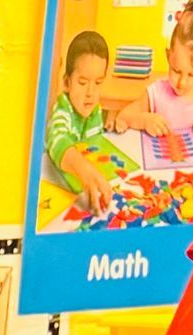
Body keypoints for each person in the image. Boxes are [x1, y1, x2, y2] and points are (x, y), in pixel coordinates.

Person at [115, 0, 193, 141]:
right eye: (176, 71)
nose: (182, 82)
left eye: (191, 74)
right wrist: (145, 120)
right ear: (168, 56)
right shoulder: (156, 93)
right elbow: (123, 116)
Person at [45, 30, 118, 213]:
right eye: (83, 82)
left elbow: (96, 146)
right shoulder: (62, 111)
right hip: (57, 189)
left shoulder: (95, 111)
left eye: (98, 83)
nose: (91, 93)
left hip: (85, 191)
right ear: (67, 82)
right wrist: (82, 167)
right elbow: (57, 138)